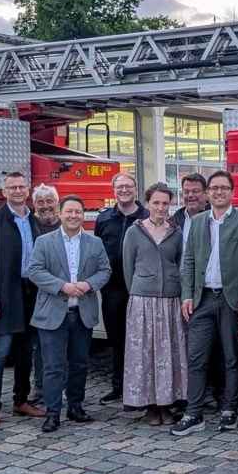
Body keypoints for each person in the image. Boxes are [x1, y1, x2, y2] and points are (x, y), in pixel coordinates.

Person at [171, 170, 238, 436]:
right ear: (207, 193)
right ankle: (194, 412)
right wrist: (187, 295)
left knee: (232, 358)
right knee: (195, 357)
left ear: (232, 192)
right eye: (214, 188)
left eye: (224, 188)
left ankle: (230, 409)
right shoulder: (197, 222)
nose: (219, 192)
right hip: (202, 299)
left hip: (232, 299)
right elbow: (188, 262)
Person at [28, 195, 112, 433]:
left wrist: (88, 284)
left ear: (83, 215)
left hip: (82, 312)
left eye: (78, 212)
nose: (74, 216)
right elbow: (34, 270)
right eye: (70, 211)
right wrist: (61, 286)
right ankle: (52, 413)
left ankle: (75, 406)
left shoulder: (94, 243)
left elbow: (105, 269)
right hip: (53, 312)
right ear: (60, 214)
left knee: (79, 364)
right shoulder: (45, 241)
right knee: (53, 366)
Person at [0, 171, 47, 430]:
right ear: (3, 192)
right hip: (4, 295)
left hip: (31, 294)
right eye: (11, 187)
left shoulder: (34, 221)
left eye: (21, 186)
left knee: (26, 352)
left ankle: (21, 401)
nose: (17, 190)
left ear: (27, 190)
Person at [122, 183, 186, 426]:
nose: (160, 207)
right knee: (144, 354)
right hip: (143, 301)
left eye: (165, 203)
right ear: (147, 204)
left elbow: (179, 262)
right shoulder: (134, 232)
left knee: (168, 353)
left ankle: (166, 403)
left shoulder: (176, 232)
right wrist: (141, 289)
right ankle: (149, 405)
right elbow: (128, 267)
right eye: (156, 203)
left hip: (170, 300)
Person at [94, 172, 149, 404]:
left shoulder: (147, 217)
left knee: (142, 340)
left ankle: (143, 386)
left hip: (140, 288)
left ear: (136, 189)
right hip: (113, 289)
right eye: (120, 187)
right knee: (116, 339)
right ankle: (119, 387)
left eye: (128, 186)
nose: (124, 190)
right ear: (113, 190)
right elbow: (97, 250)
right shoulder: (105, 218)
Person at [25, 183, 61, 406]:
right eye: (41, 202)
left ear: (58, 203)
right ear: (34, 205)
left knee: (63, 344)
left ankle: (61, 387)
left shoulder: (68, 225)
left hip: (63, 294)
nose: (45, 206)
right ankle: (39, 387)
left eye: (50, 201)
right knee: (38, 345)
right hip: (34, 294)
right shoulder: (28, 226)